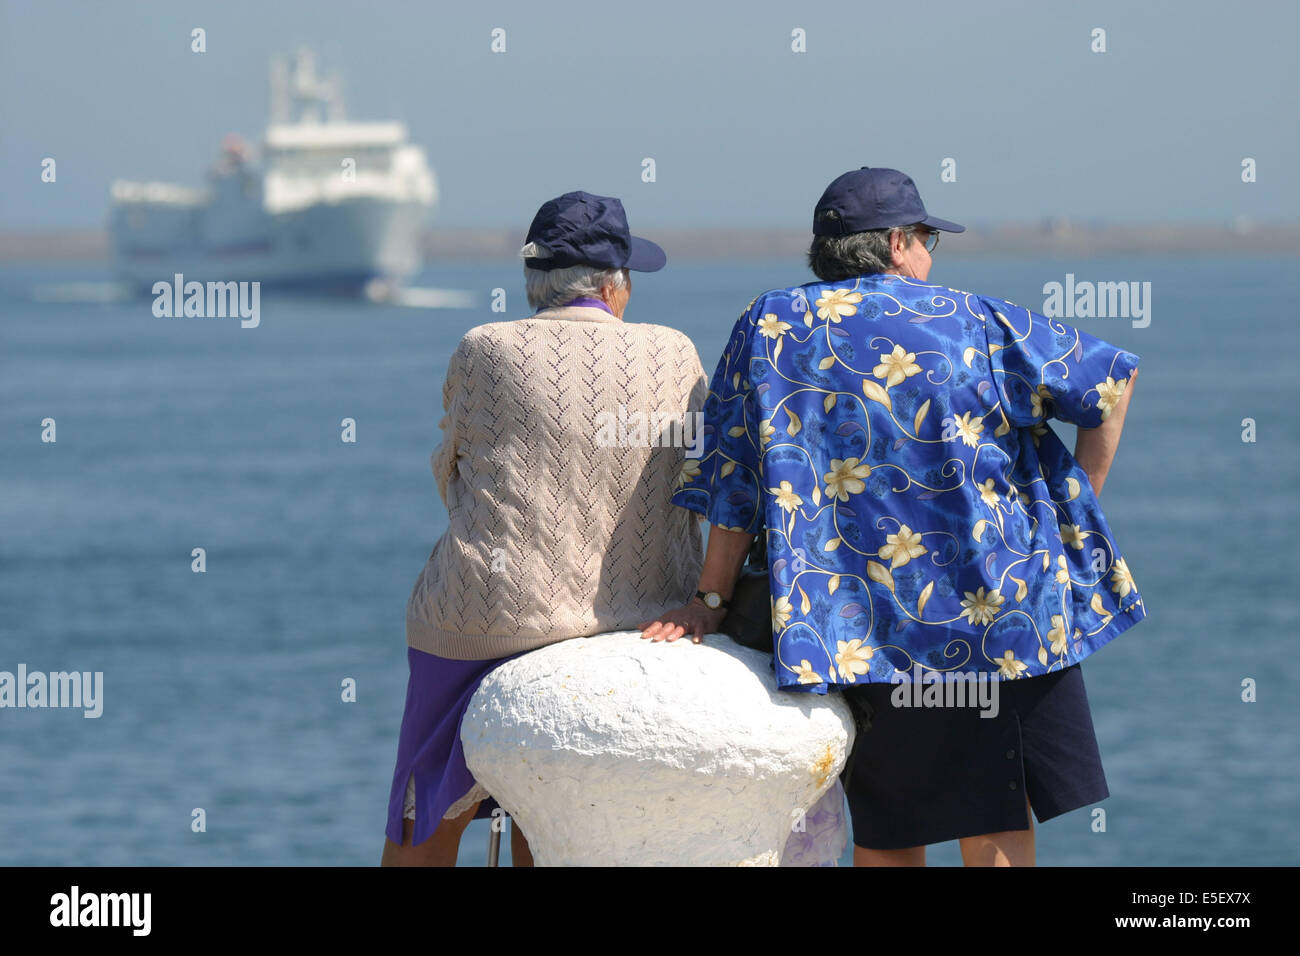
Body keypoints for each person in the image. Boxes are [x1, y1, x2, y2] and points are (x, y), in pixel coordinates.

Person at [641, 167, 1143, 867]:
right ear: (899, 242)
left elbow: (732, 480)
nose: (933, 257)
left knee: (887, 828)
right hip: (998, 610)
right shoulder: (974, 318)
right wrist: (1074, 507)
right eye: (928, 239)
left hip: (856, 622)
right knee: (996, 819)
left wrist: (709, 600)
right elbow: (1111, 385)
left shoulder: (769, 326)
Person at [382, 190, 707, 866]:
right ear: (616, 286)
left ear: (535, 282)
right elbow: (696, 481)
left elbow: (453, 473)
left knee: (425, 814)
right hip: (635, 617)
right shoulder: (675, 353)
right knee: (552, 820)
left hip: (487, 618)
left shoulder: (484, 348)